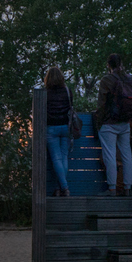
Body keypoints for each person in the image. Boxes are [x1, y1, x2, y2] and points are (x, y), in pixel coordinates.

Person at [95, 53, 132, 196]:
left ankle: (112, 188)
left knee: (110, 155)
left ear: (108, 65)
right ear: (121, 64)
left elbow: (101, 104)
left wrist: (99, 122)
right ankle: (127, 188)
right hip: (125, 122)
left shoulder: (106, 80)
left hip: (109, 123)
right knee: (126, 155)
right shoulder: (129, 78)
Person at [44, 66, 73, 197]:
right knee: (63, 158)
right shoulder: (67, 91)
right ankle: (58, 188)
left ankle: (65, 188)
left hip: (51, 128)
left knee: (56, 158)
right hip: (66, 127)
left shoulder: (46, 93)